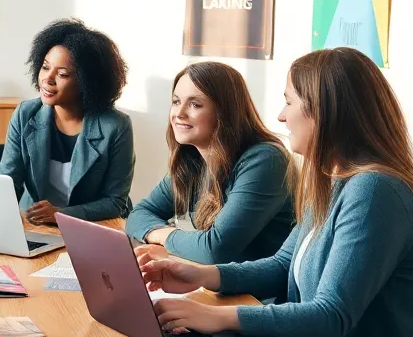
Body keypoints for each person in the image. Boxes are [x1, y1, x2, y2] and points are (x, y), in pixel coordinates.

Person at [140, 47, 413, 337]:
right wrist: (202, 275)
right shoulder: (333, 179)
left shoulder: (376, 191)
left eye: (289, 103)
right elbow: (282, 265)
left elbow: (330, 315)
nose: (280, 116)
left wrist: (216, 316)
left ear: (324, 112)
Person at [126, 61, 294, 268]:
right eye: (176, 101)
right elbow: (138, 215)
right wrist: (175, 240)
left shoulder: (265, 160)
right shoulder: (192, 158)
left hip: (256, 296)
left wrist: (164, 236)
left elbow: (214, 250)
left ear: (225, 112)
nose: (179, 113)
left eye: (195, 104)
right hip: (210, 284)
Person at [0, 18, 134, 224]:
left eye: (62, 74)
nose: (47, 79)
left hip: (90, 227)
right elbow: (6, 184)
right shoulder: (25, 113)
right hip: (36, 225)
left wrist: (61, 214)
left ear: (87, 82)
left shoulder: (116, 126)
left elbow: (115, 202)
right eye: (45, 67)